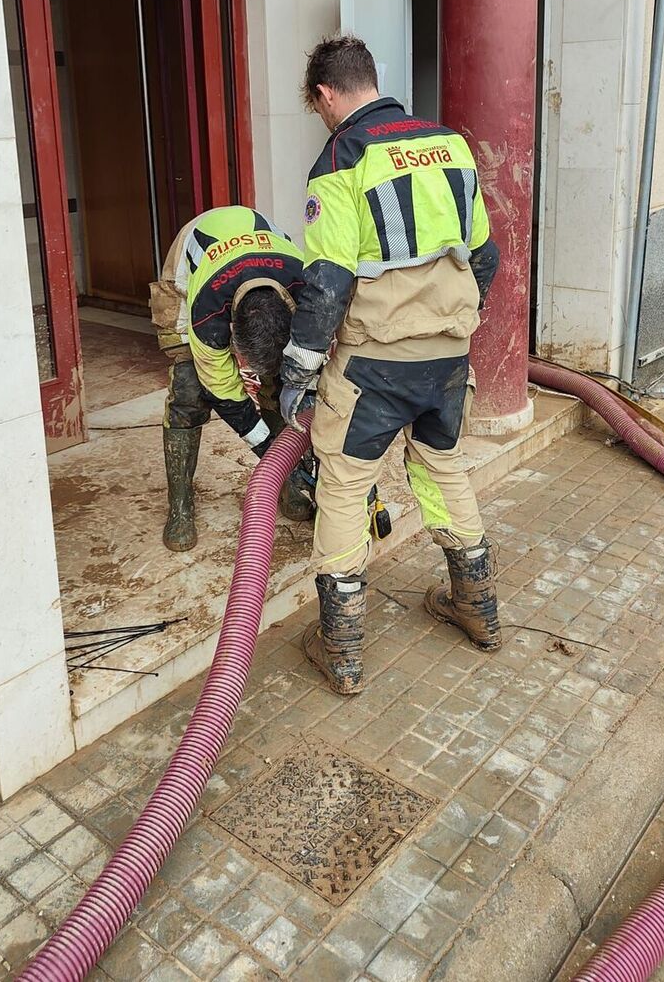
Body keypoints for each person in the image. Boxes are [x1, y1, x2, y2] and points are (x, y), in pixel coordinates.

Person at [279, 34, 501, 695]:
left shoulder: (341, 158)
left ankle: (342, 650)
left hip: (372, 365)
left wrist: (297, 372)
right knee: (442, 466)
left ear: (325, 94)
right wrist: (456, 318)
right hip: (447, 358)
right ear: (373, 79)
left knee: (345, 483)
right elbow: (484, 255)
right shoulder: (451, 145)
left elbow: (326, 282)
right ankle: (480, 609)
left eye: (316, 104)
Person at [150, 205, 316, 552]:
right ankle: (180, 505)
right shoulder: (207, 315)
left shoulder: (307, 288)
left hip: (261, 252)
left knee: (283, 385)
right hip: (189, 268)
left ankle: (285, 481)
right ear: (231, 338)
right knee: (190, 391)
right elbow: (224, 392)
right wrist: (267, 447)